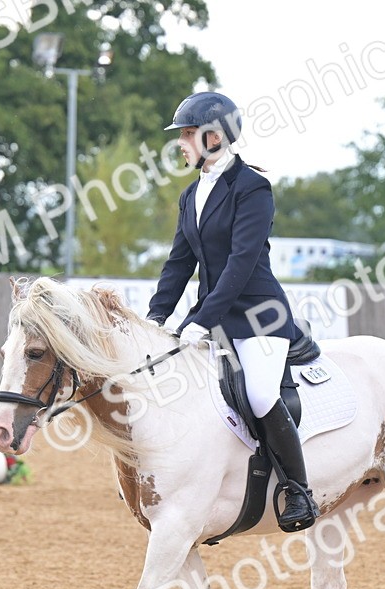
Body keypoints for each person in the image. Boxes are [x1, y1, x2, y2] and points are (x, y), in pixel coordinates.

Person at [147, 91, 319, 532]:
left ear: (216, 136)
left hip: (260, 315)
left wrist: (199, 320)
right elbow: (179, 263)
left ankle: (297, 490)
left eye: (187, 134)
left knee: (260, 394)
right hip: (217, 318)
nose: (182, 143)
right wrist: (156, 317)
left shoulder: (252, 188)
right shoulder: (191, 195)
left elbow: (242, 264)